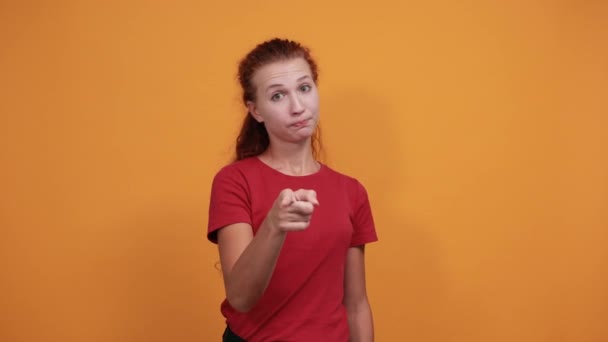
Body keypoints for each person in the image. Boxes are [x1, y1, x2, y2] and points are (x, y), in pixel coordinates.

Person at [207, 38, 378, 342]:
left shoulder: (351, 191)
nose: (298, 107)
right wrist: (274, 225)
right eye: (277, 96)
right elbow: (241, 298)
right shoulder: (234, 181)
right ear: (256, 111)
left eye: (304, 88)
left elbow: (356, 304)